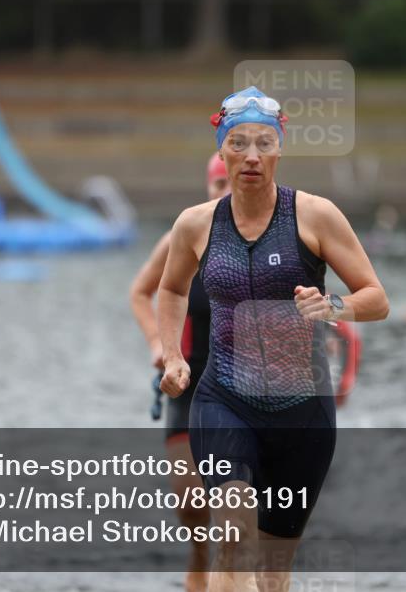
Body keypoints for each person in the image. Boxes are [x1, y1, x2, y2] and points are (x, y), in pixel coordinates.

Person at [157, 87, 389, 592]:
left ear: (280, 149)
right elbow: (171, 289)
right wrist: (173, 355)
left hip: (302, 410)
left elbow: (376, 298)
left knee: (274, 571)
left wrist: (331, 306)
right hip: (223, 400)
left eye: (264, 143)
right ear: (221, 152)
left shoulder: (315, 215)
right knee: (232, 540)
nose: (252, 157)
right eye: (238, 144)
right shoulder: (195, 225)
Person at [130, 153, 230, 592]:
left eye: (231, 183)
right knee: (191, 498)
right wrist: (159, 344)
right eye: (218, 184)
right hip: (188, 378)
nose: (226, 193)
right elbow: (140, 291)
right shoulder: (185, 236)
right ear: (208, 187)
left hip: (245, 381)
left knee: (238, 498)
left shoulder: (271, 242)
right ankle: (198, 552)